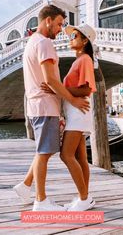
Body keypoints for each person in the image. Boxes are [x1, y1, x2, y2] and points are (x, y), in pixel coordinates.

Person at [13, 5, 90, 211]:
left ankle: (26, 186)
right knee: (44, 153)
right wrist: (72, 101)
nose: (59, 29)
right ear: (48, 21)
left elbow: (48, 81)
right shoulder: (45, 43)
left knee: (43, 151)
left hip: (39, 106)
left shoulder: (32, 43)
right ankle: (41, 200)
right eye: (58, 24)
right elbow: (51, 80)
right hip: (44, 106)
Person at [40, 24, 97, 211]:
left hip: (78, 110)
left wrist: (56, 88)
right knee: (80, 157)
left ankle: (84, 197)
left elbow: (87, 89)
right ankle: (84, 197)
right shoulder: (79, 60)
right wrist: (60, 91)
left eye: (74, 35)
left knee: (66, 155)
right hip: (75, 110)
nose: (70, 38)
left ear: (85, 40)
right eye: (71, 35)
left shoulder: (85, 59)